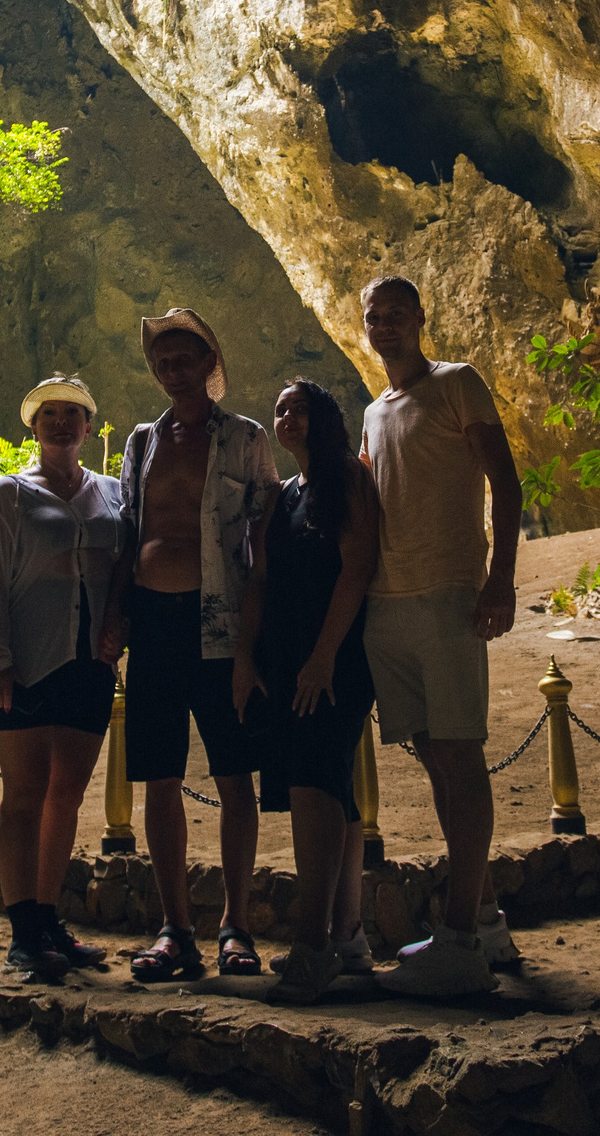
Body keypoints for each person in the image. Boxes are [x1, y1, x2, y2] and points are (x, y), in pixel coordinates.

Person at [358, 275, 524, 996]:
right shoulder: (372, 413)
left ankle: (458, 937)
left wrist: (502, 577)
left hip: (450, 592)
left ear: (421, 319)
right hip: (387, 604)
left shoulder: (458, 383)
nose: (385, 325)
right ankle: (483, 918)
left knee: (459, 752)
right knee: (434, 755)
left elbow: (506, 480)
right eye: (375, 316)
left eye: (397, 314)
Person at [109, 308, 279, 982]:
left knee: (236, 775)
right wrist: (115, 616)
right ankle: (175, 928)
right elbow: (130, 531)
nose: (175, 370)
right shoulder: (142, 440)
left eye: (187, 358)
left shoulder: (245, 439)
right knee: (160, 774)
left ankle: (236, 926)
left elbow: (262, 552)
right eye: (163, 361)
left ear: (210, 362)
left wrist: (248, 647)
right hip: (153, 622)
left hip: (220, 623)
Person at [0, 374, 128, 980]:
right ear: (33, 427)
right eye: (49, 414)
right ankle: (23, 933)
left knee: (66, 795)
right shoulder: (10, 495)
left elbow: (123, 571)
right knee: (24, 795)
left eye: (73, 413)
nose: (62, 423)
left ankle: (47, 917)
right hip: (29, 662)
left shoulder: (112, 494)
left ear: (89, 427)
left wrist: (120, 628)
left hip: (90, 662)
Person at [232, 379, 378, 1004]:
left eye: (299, 407)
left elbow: (358, 567)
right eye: (280, 409)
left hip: (334, 659)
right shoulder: (281, 495)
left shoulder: (347, 479)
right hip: (285, 660)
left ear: (324, 418)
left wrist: (324, 657)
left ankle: (312, 945)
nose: (286, 416)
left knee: (314, 789)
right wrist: (247, 656)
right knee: (330, 794)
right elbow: (260, 580)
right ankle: (346, 937)